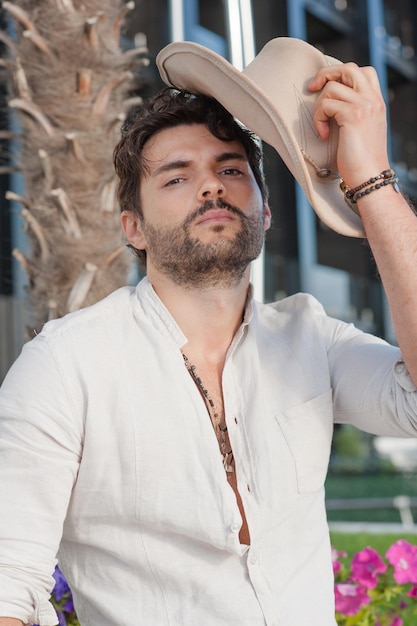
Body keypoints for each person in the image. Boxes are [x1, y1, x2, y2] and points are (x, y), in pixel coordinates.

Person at [1, 37, 417, 626]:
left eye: (230, 169)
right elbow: (8, 585)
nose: (211, 186)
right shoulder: (65, 366)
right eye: (176, 177)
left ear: (266, 212)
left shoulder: (310, 336)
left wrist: (371, 179)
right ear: (134, 228)